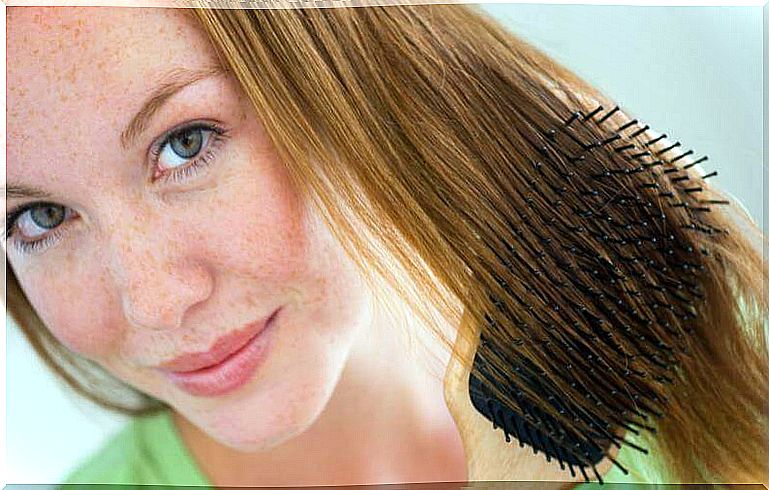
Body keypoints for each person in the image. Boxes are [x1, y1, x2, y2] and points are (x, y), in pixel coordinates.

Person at [5, 4, 767, 488]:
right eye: (38, 217)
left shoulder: (705, 350)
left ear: (346, 86)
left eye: (186, 142)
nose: (155, 301)